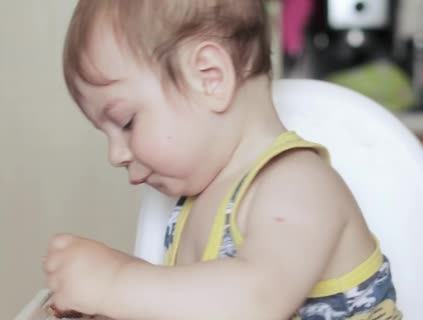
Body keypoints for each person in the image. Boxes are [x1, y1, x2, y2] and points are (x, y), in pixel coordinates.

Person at [44, 1, 402, 319]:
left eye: (126, 122)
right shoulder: (193, 203)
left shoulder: (297, 183)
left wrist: (116, 283)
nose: (115, 155)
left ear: (209, 77)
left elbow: (257, 303)